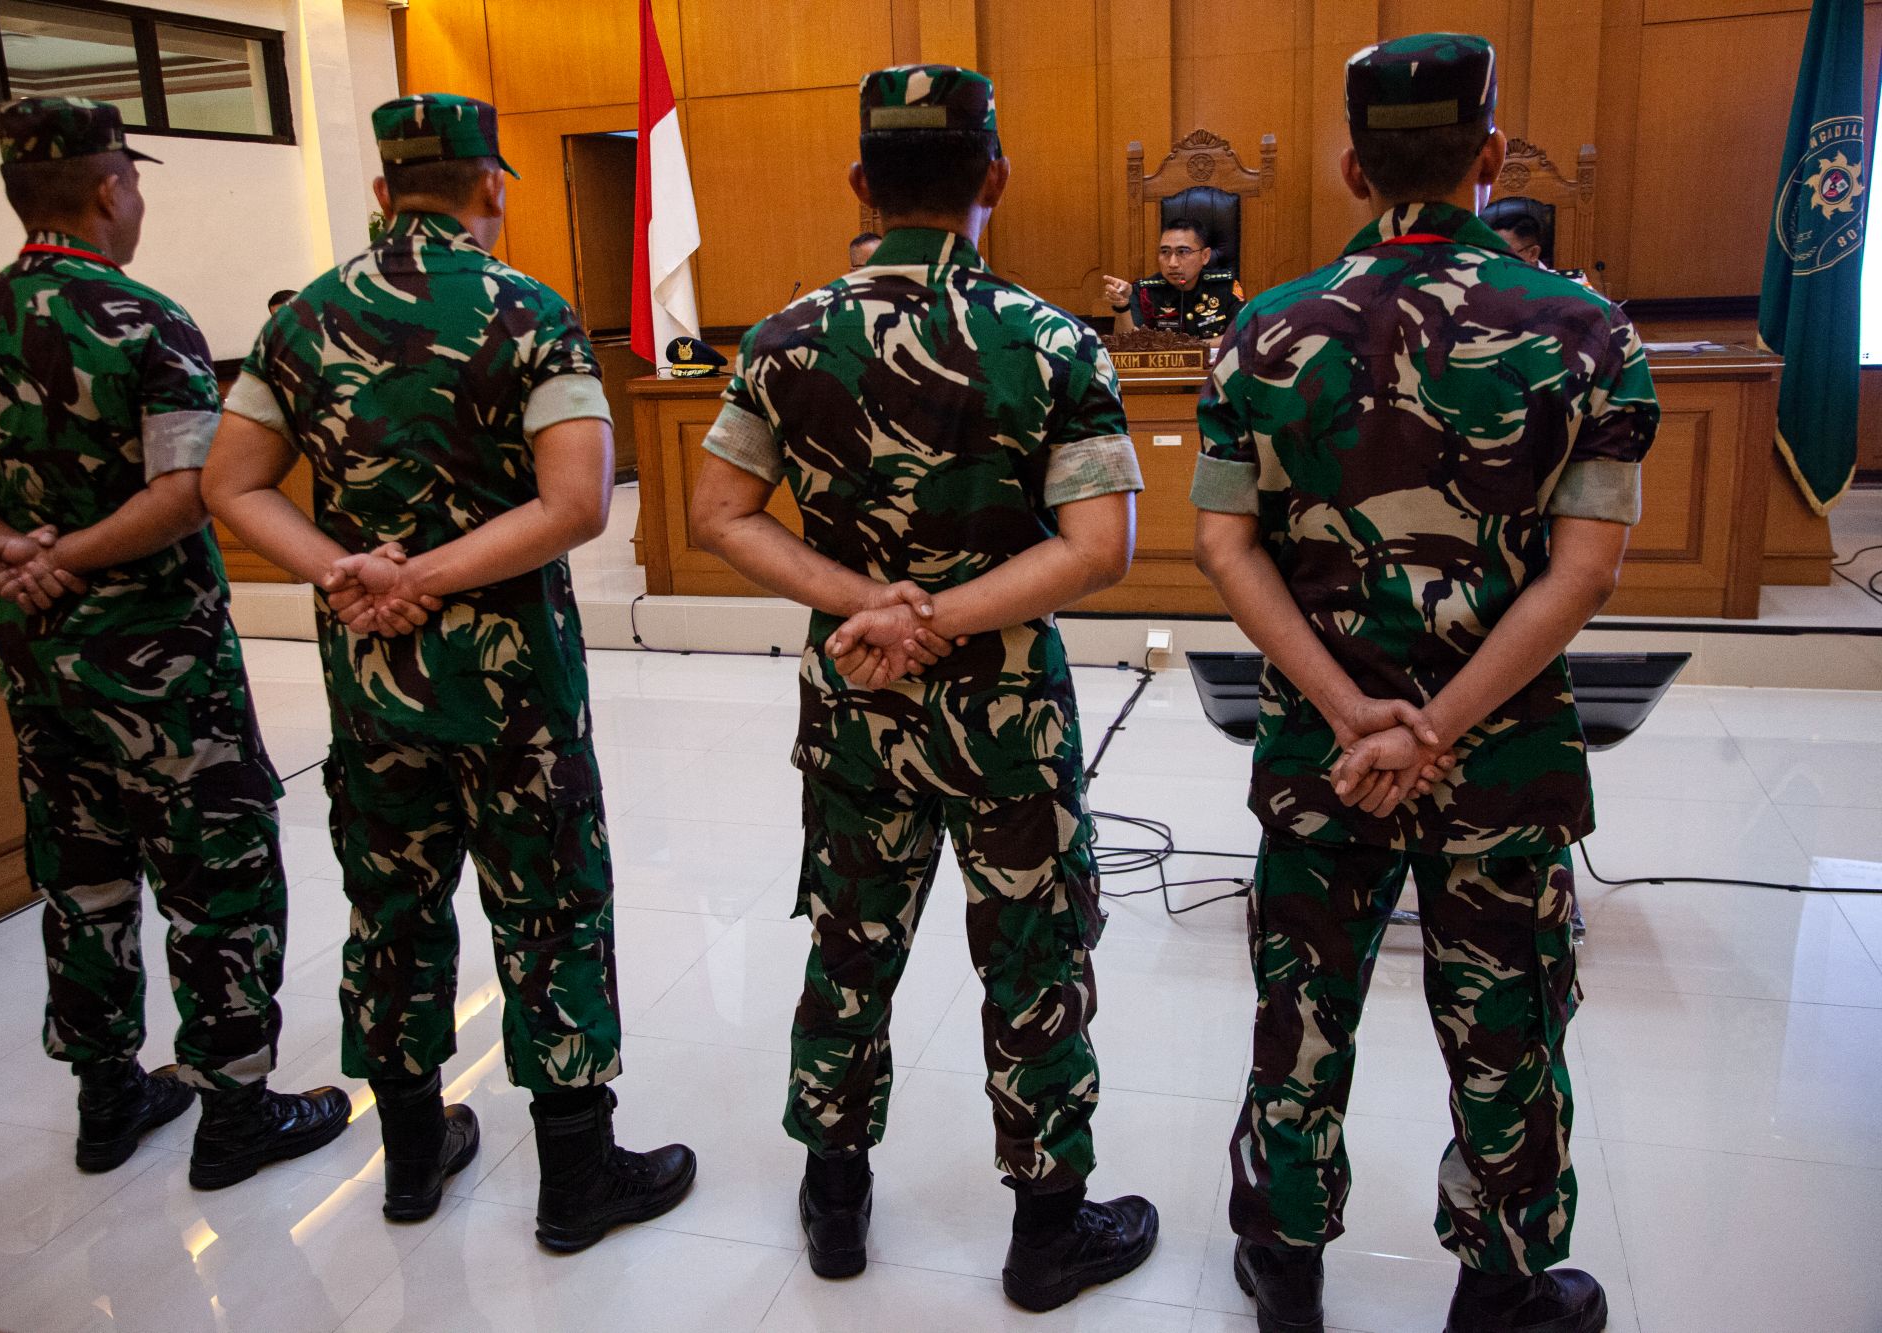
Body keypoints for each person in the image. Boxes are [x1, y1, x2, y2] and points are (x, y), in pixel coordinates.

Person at [1190, 34, 1658, 1333]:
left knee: (1301, 1010)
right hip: (1496, 755)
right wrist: (1438, 724)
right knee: (1506, 1021)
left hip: (1322, 749)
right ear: (1491, 154)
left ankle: (1284, 1265)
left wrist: (1355, 714)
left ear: (1352, 166)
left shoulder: (1262, 330)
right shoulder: (1586, 330)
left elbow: (1224, 546)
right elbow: (1585, 573)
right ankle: (1500, 1288)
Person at [690, 64, 1158, 1312]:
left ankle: (834, 1202)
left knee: (850, 944)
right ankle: (1046, 1229)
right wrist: (941, 615)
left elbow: (718, 511)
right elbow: (1098, 547)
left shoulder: (781, 339)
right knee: (1032, 951)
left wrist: (871, 605)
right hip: (1006, 714)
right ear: (991, 176)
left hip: (855, 703)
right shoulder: (1051, 340)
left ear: (860, 182)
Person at [203, 92, 696, 1240]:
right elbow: (576, 504)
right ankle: (576, 1175)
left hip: (372, 682)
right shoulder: (530, 312)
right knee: (550, 904)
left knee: (391, 908)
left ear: (382, 192)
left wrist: (350, 573)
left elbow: (229, 483)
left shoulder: (301, 320)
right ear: (489, 186)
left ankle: (412, 1161)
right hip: (513, 687)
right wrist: (429, 575)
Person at [0, 96, 347, 1186]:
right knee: (216, 870)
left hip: (38, 658)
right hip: (162, 662)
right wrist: (76, 553)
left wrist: (14, 553)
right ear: (110, 189)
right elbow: (187, 491)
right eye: (132, 182)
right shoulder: (146, 321)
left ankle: (107, 1098)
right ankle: (235, 1109)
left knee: (79, 871)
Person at [1104, 217, 1247, 337]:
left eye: (1183, 252)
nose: (1172, 263)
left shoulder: (1225, 286)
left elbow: (1243, 335)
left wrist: (1192, 348)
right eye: (1165, 252)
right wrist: (1122, 307)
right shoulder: (1144, 293)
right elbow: (1128, 343)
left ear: (1205, 256)